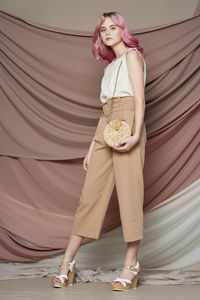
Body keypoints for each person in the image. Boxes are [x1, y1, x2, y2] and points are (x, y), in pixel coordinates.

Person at [52, 11, 147, 291]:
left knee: (130, 194)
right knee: (89, 196)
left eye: (112, 27)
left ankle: (131, 265)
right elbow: (105, 113)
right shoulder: (109, 68)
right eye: (102, 29)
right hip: (107, 127)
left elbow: (140, 100)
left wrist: (136, 134)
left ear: (122, 30)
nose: (107, 32)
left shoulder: (131, 57)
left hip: (130, 123)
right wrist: (92, 148)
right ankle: (66, 264)